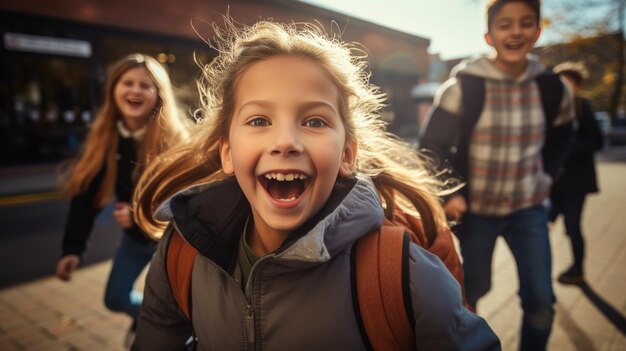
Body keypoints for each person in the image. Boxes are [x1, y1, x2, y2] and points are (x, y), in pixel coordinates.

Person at [131, 19, 500, 350]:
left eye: (315, 121)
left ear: (346, 155)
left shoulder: (402, 272)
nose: (286, 141)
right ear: (227, 152)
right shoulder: (182, 251)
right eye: (259, 121)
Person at [419, 0, 576, 350]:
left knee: (540, 302)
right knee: (470, 295)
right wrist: (449, 194)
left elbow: (565, 134)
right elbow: (431, 147)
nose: (515, 31)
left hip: (529, 210)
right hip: (477, 213)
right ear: (489, 36)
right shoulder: (463, 88)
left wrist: (549, 175)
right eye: (505, 24)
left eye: (525, 23)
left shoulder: (552, 88)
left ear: (537, 31)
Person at [55, 53, 190, 346]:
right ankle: (146, 318)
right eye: (127, 83)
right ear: (114, 89)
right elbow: (84, 197)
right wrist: (72, 249)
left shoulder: (175, 141)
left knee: (182, 306)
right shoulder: (105, 139)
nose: (135, 90)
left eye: (145, 85)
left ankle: (173, 333)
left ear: (158, 94)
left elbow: (187, 201)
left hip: (173, 242)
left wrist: (143, 214)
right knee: (115, 298)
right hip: (134, 241)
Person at [549, 61, 604, 285]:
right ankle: (539, 271)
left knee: (572, 226)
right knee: (540, 224)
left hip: (576, 182)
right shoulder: (549, 108)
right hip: (552, 183)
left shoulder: (582, 106)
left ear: (577, 86)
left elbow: (597, 140)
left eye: (567, 83)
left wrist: (567, 147)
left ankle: (577, 269)